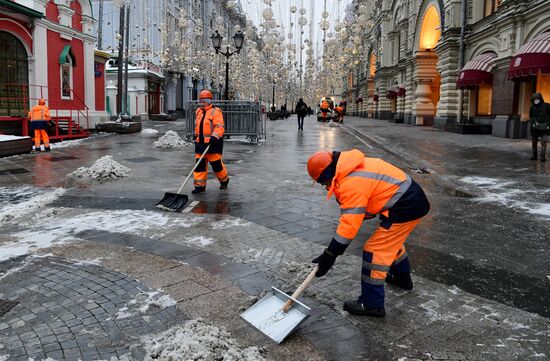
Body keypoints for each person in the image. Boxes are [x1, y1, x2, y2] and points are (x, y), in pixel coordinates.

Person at [307, 149, 430, 317]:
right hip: (408, 200)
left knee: (375, 250)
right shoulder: (350, 166)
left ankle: (372, 304)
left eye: (324, 182)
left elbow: (348, 227)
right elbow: (371, 194)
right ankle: (402, 279)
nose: (326, 186)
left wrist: (330, 255)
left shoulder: (351, 182)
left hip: (406, 206)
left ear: (328, 174)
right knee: (390, 242)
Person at [192, 90, 229, 193]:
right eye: (201, 100)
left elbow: (219, 127)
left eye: (203, 101)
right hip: (200, 144)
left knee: (217, 165)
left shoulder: (215, 112)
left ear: (209, 100)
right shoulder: (199, 111)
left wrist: (214, 136)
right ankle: (199, 186)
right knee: (199, 166)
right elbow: (198, 126)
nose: (201, 103)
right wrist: (196, 136)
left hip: (212, 143)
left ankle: (224, 180)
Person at [529, 93, 550, 162]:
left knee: (544, 142)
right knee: (534, 143)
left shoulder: (547, 106)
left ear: (540, 99)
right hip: (535, 128)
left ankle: (542, 156)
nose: (536, 100)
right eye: (534, 99)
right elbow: (531, 116)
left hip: (544, 128)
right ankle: (534, 155)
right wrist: (534, 121)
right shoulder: (532, 107)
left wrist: (548, 124)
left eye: (537, 99)